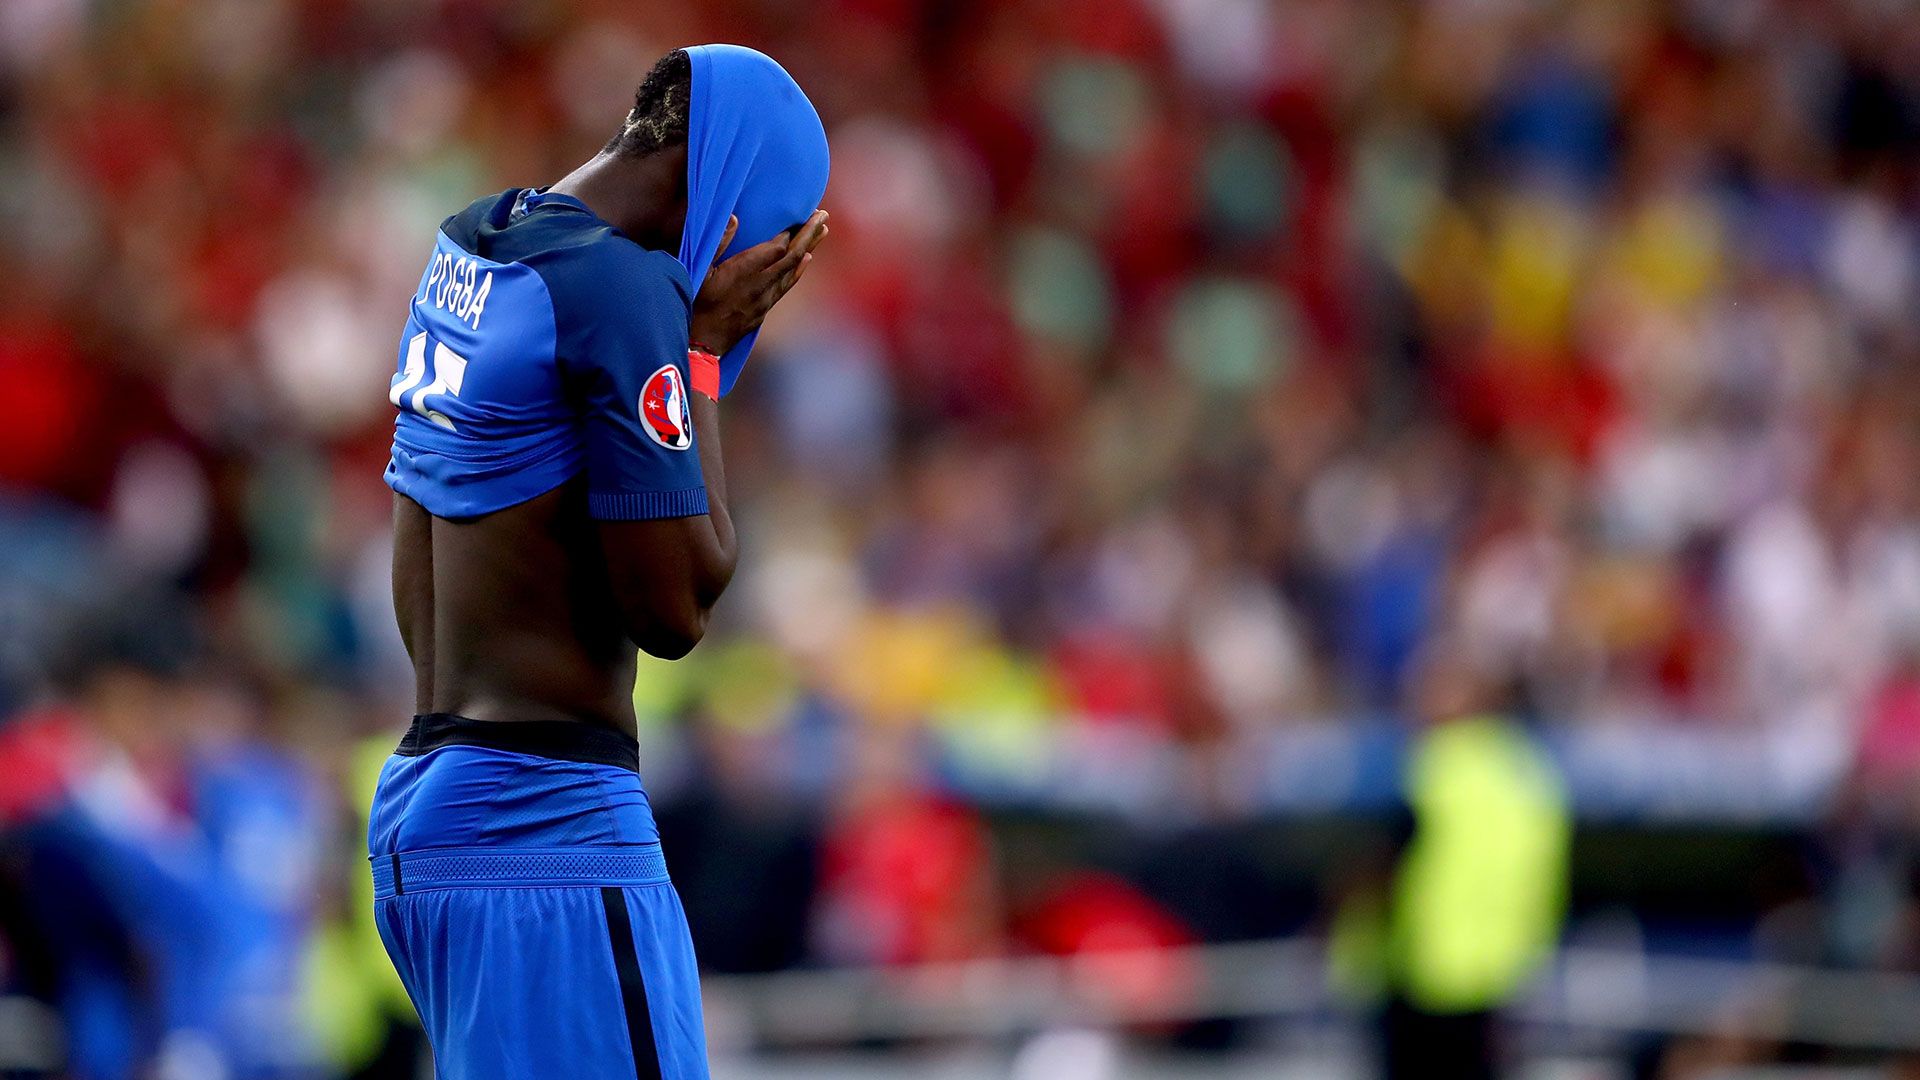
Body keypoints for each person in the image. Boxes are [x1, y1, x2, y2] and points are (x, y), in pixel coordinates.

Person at [368, 45, 829, 1079]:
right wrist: (701, 353)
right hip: (547, 825)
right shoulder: (619, 293)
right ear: (730, 197)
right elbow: (679, 608)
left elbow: (428, 527)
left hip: (428, 809)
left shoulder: (473, 242)